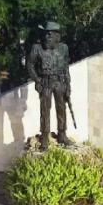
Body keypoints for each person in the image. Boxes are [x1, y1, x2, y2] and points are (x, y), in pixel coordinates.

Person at [27, 21, 71, 150]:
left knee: (62, 109)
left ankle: (62, 134)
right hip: (45, 82)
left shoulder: (64, 48)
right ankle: (45, 137)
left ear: (57, 36)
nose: (47, 37)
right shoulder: (37, 48)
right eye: (46, 34)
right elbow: (30, 64)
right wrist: (37, 80)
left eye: (50, 34)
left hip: (60, 81)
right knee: (45, 110)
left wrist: (68, 86)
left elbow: (66, 68)